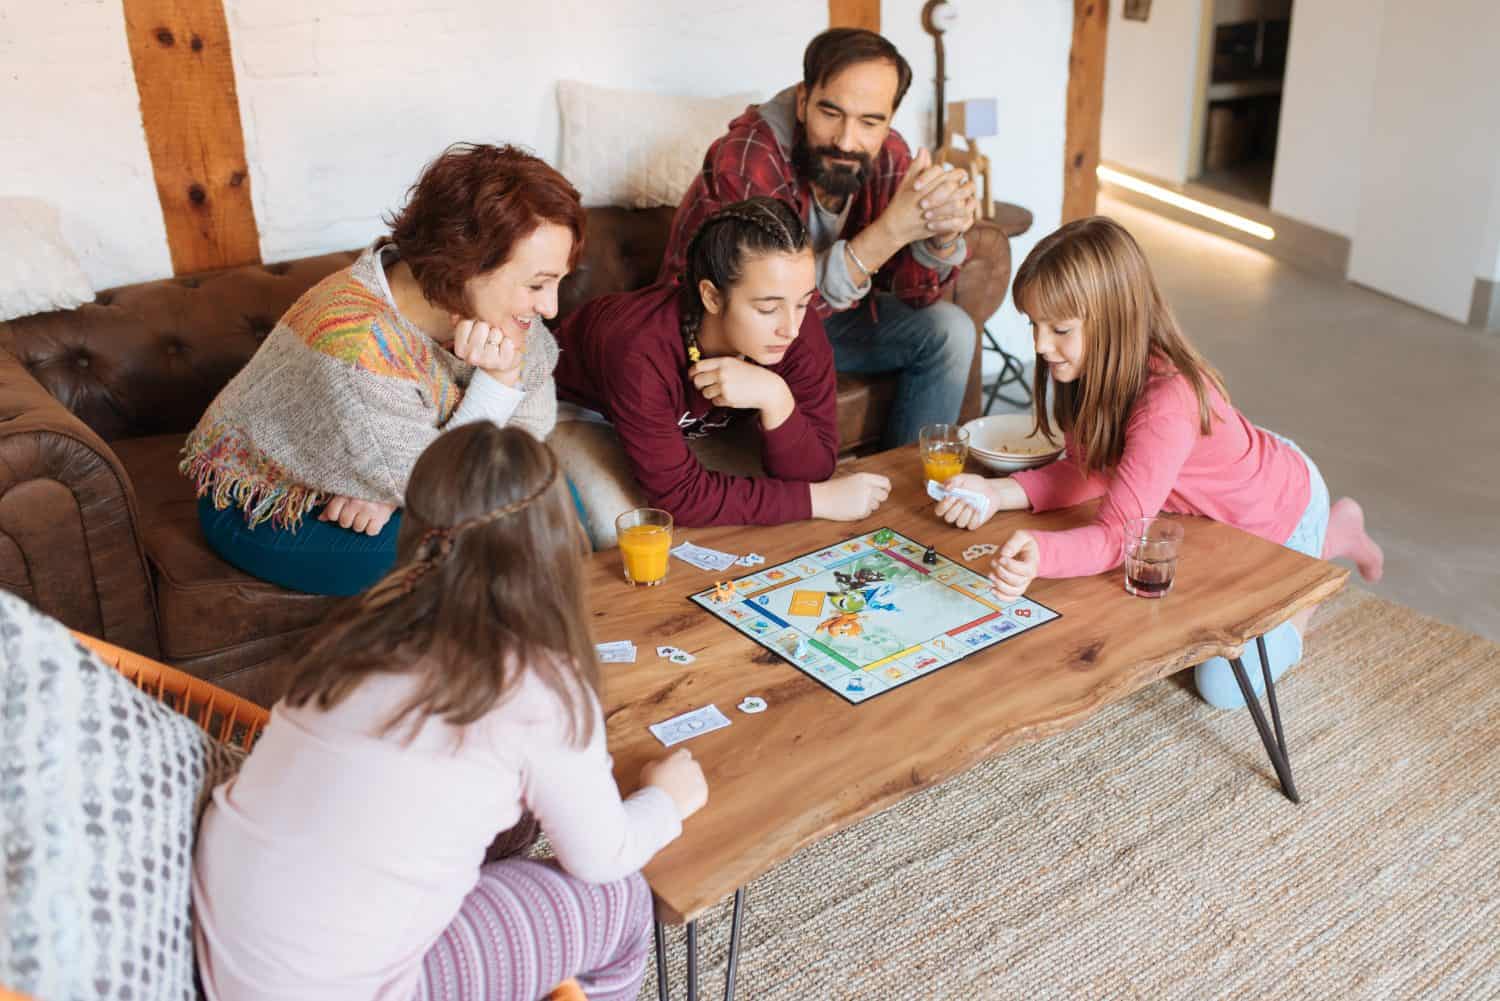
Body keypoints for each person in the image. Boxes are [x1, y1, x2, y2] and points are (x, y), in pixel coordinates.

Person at [192, 422, 709, 1001]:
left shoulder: (358, 628)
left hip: (229, 949)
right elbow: (602, 858)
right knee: (621, 903)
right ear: (556, 545)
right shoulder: (540, 686)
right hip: (341, 987)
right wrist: (667, 800)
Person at [933, 216, 1384, 708]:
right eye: (1034, 325)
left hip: (1277, 513)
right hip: (1218, 501)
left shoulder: (1165, 403)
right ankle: (1328, 535)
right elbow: (1089, 470)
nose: (1040, 346)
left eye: (1059, 328)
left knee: (1223, 689)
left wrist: (1043, 555)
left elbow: (1117, 538)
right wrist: (996, 492)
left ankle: (1321, 551)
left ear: (1113, 320)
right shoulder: (1096, 368)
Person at [181, 142, 582, 596]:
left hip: (400, 471)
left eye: (557, 281)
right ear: (464, 262)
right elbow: (439, 493)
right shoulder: (357, 347)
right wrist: (499, 383)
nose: (549, 308)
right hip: (270, 503)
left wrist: (391, 489)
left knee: (561, 510)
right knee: (482, 553)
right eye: (537, 284)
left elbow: (531, 428)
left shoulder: (501, 312)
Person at [660, 27, 980, 449]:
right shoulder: (749, 155)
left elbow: (915, 296)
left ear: (889, 119)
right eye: (831, 113)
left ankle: (909, 487)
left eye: (870, 121)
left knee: (949, 330)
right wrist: (891, 231)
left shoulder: (888, 153)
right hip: (731, 328)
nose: (847, 140)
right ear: (803, 100)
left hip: (818, 321)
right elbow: (764, 302)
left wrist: (941, 236)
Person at [554, 196, 890, 540]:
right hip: (584, 413)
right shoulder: (638, 351)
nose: (790, 327)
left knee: (768, 515)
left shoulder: (796, 328)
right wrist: (818, 500)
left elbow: (814, 468)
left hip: (695, 426)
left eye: (803, 302)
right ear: (712, 297)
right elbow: (680, 498)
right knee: (637, 531)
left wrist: (776, 398)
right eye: (767, 308)